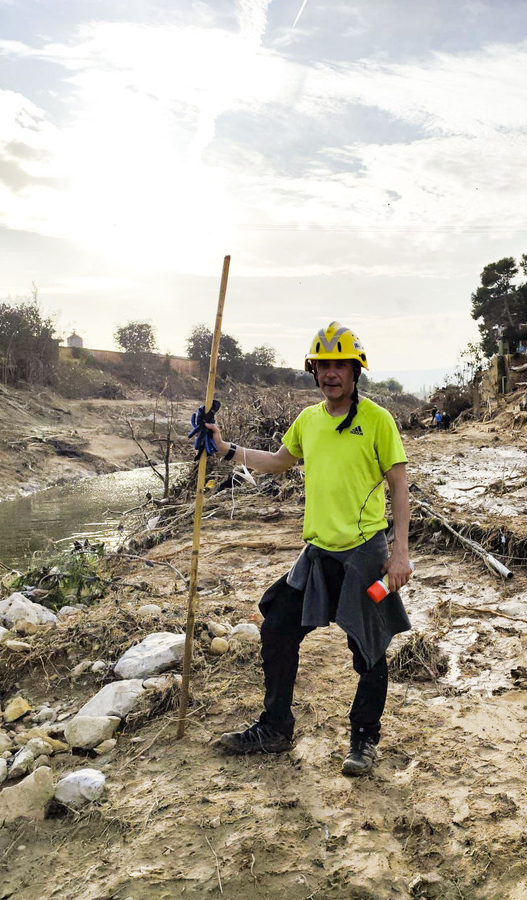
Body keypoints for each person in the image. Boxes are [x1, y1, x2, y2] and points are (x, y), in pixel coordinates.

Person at [204, 322, 412, 776]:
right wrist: (225, 450)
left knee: (369, 648)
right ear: (313, 370)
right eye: (323, 365)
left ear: (356, 371)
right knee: (277, 623)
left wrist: (399, 553)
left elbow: (399, 486)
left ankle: (363, 738)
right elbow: (279, 462)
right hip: (317, 555)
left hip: (364, 554)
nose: (330, 373)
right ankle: (275, 728)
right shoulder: (308, 421)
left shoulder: (378, 420)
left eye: (340, 364)